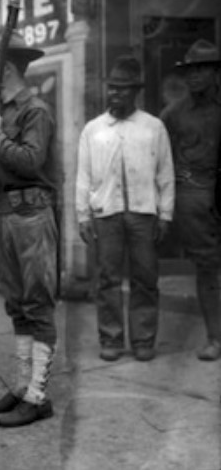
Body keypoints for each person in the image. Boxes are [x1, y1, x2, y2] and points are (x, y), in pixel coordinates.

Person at [0, 30, 60, 428]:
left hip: (31, 216)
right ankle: (24, 387)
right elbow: (2, 166)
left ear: (6, 67)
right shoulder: (1, 112)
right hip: (7, 215)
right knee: (16, 303)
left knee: (37, 303)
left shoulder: (34, 110)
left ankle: (38, 395)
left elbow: (29, 161)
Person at [76, 55, 175, 364]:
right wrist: (82, 214)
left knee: (146, 277)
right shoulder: (94, 130)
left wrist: (166, 214)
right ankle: (111, 338)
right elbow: (84, 176)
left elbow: (166, 173)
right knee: (107, 278)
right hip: (107, 214)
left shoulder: (153, 127)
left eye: (122, 89)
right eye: (112, 89)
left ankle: (144, 340)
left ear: (136, 92)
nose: (115, 94)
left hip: (144, 214)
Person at [160, 39, 221, 361]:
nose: (194, 76)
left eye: (202, 69)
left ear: (214, 72)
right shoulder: (173, 115)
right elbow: (162, 161)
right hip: (195, 197)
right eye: (190, 70)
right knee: (208, 269)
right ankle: (215, 338)